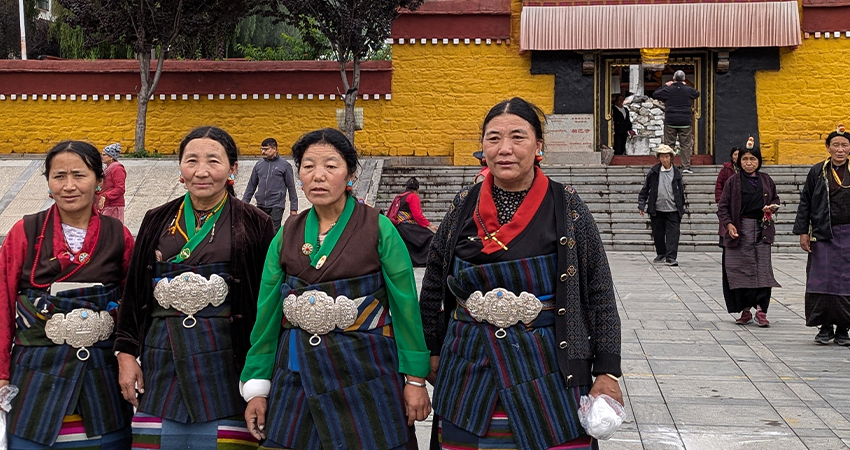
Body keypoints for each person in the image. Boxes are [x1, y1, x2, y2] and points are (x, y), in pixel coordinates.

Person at [419, 98, 622, 450]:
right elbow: (435, 283)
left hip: (547, 362)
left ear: (539, 145)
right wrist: (431, 349)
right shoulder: (463, 204)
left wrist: (607, 370)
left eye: (518, 137)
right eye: (493, 138)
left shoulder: (568, 206)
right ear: (482, 146)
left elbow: (599, 291)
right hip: (469, 359)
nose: (505, 149)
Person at [240, 128, 431, 450]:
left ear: (351, 174)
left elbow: (405, 306)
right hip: (297, 372)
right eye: (309, 166)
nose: (319, 176)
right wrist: (258, 386)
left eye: (331, 165)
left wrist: (414, 378)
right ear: (298, 175)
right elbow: (267, 311)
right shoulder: (288, 232)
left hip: (365, 370)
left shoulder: (378, 227)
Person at [113, 126, 274, 447]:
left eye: (214, 161)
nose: (202, 171)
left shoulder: (256, 222)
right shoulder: (156, 218)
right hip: (162, 358)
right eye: (191, 161)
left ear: (233, 168)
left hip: (227, 360)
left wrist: (260, 379)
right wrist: (127, 354)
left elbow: (266, 304)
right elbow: (134, 293)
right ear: (181, 168)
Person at [0, 141, 135, 448]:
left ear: (99, 181)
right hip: (35, 370)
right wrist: (1, 373)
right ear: (48, 182)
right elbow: (3, 304)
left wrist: (131, 358)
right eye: (59, 176)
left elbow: (133, 306)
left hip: (102, 373)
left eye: (79, 175)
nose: (69, 186)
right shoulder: (25, 231)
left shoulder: (118, 235)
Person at [794, 124, 850, 345]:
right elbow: (805, 202)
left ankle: (844, 328)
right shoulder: (817, 171)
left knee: (846, 282)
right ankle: (825, 327)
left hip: (848, 234)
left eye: (844, 145)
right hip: (823, 235)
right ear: (828, 147)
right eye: (835, 145)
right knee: (822, 281)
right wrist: (802, 232)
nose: (840, 149)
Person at [717, 139, 780, 327]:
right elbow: (723, 207)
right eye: (745, 159)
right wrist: (728, 224)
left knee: (762, 271)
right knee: (739, 270)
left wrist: (772, 207)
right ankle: (745, 310)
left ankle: (762, 310)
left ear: (759, 161)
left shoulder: (766, 180)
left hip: (761, 230)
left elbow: (776, 199)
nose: (749, 163)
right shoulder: (732, 181)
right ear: (739, 161)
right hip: (740, 230)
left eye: (753, 159)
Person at [638, 144, 685, 266]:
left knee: (673, 234)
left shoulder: (677, 173)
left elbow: (681, 192)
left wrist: (681, 209)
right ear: (659, 158)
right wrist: (641, 204)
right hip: (657, 208)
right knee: (658, 233)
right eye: (662, 157)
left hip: (673, 209)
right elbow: (645, 189)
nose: (665, 159)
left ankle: (671, 257)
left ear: (671, 158)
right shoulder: (653, 172)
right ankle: (661, 253)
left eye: (667, 156)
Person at [242, 138, 299, 233]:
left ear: (274, 149)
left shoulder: (285, 165)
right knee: (260, 232)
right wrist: (244, 204)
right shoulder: (258, 165)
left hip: (276, 205)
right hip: (260, 205)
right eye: (262, 149)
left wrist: (294, 208)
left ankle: (274, 248)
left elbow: (291, 187)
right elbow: (251, 186)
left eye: (266, 149)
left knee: (273, 232)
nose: (263, 152)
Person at [653, 70, 700, 173]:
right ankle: (686, 167)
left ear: (673, 79)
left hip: (671, 121)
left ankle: (668, 166)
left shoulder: (668, 90)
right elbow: (697, 93)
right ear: (683, 79)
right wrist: (685, 85)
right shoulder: (688, 90)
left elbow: (655, 94)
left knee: (669, 145)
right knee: (686, 145)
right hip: (685, 122)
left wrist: (666, 85)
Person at [387, 177, 438, 267]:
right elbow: (417, 216)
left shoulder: (401, 197)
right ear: (417, 189)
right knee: (430, 236)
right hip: (407, 227)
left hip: (400, 227)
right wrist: (429, 225)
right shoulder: (413, 197)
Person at [715, 146, 740, 312]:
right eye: (737, 155)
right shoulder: (727, 170)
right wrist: (721, 202)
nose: (739, 158)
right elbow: (719, 187)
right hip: (728, 215)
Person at [98, 142, 127, 223]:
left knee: (112, 231)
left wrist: (105, 196)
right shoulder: (107, 169)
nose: (102, 157)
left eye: (104, 155)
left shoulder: (117, 169)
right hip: (106, 205)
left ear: (111, 157)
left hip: (114, 206)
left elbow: (120, 188)